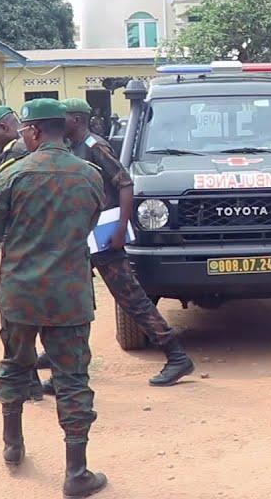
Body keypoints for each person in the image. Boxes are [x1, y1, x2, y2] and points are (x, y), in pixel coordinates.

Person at [0, 98, 108, 497]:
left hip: (20, 292)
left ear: (32, 131)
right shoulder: (90, 174)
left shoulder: (13, 175)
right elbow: (88, 224)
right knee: (72, 378)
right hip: (70, 293)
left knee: (15, 364)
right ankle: (76, 472)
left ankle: (13, 445)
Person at [60, 97, 195, 388]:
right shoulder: (72, 148)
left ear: (77, 120)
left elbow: (124, 183)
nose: (61, 122)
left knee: (131, 298)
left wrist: (121, 227)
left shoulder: (96, 147)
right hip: (84, 237)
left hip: (106, 236)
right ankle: (66, 361)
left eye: (65, 117)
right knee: (75, 298)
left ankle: (176, 356)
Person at [0, 106, 44, 403]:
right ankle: (35, 384)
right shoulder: (43, 149)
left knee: (15, 321)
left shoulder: (13, 153)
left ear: (5, 127)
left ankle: (21, 385)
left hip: (20, 248)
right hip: (50, 245)